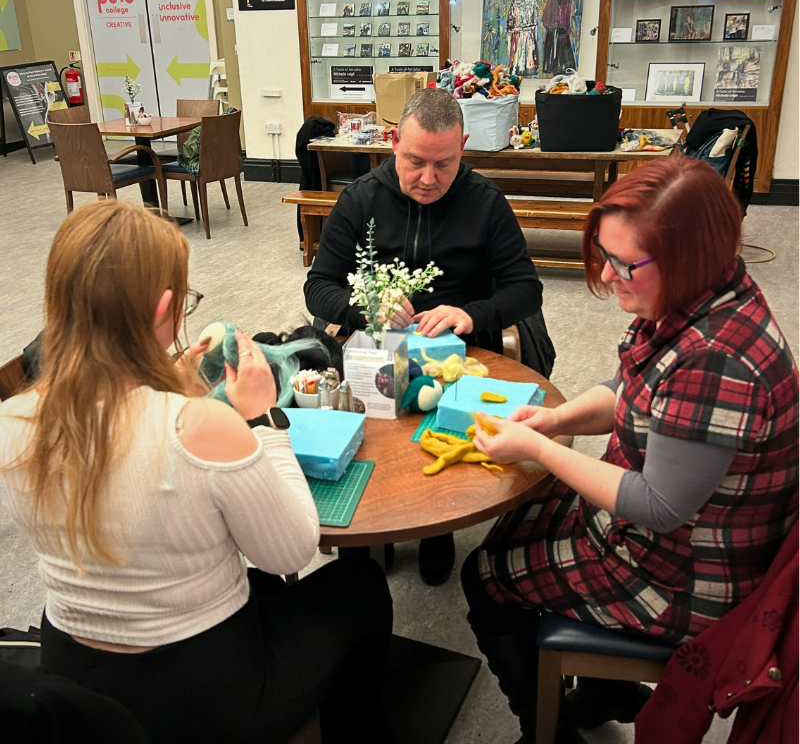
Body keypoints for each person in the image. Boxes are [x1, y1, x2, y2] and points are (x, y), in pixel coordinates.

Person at [0, 201, 393, 744]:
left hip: (71, 673)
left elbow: (118, 462)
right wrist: (262, 416)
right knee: (361, 583)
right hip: (200, 691)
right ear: (164, 307)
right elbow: (291, 550)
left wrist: (166, 387)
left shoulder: (12, 419)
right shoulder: (200, 426)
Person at [460, 158, 799, 743]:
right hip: (664, 538)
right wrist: (558, 417)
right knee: (517, 516)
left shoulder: (715, 359)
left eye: (625, 263)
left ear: (686, 257)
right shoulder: (694, 296)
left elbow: (658, 506)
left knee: (486, 574)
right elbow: (629, 388)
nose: (611, 276)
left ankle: (553, 732)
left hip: (686, 579)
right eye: (605, 254)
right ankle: (605, 689)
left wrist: (540, 448)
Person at [304, 88, 552, 586]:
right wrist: (364, 309)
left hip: (461, 349)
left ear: (463, 145)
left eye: (445, 164)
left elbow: (526, 289)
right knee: (370, 426)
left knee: (440, 426)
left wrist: (471, 312)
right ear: (394, 142)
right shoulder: (359, 200)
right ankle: (375, 527)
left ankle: (437, 526)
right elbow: (318, 287)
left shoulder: (485, 202)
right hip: (376, 343)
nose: (428, 179)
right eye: (415, 161)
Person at [506, 0, 540, 77]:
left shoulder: (533, 3)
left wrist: (535, 42)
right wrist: (509, 44)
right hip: (517, 38)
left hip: (529, 38)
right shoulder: (514, 4)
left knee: (529, 69)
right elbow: (509, 26)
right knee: (517, 69)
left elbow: (536, 24)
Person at [542, 0, 576, 75]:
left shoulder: (567, 0)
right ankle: (551, 67)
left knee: (563, 49)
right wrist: (547, 25)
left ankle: (563, 68)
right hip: (552, 28)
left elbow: (568, 15)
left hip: (563, 29)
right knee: (552, 48)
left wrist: (568, 28)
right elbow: (546, 13)